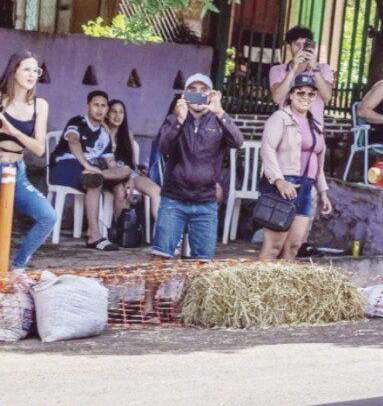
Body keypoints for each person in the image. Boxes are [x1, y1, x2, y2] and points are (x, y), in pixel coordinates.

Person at [143, 74, 243, 319]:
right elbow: (163, 148)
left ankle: (194, 307)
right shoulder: (174, 118)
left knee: (202, 261)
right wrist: (178, 121)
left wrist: (220, 112)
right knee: (160, 254)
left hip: (206, 202)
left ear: (212, 94)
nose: (198, 95)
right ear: (184, 95)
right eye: (192, 90)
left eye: (203, 90)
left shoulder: (217, 121)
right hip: (174, 200)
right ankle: (147, 305)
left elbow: (238, 141)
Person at [259, 74, 333, 261]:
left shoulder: (315, 125)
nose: (305, 97)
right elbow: (267, 150)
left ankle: (283, 289)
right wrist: (279, 180)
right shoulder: (280, 118)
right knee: (274, 245)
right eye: (300, 92)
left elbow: (318, 162)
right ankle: (258, 288)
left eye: (310, 94)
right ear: (290, 95)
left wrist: (323, 191)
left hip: (306, 186)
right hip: (283, 184)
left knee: (293, 246)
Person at [49, 90, 132, 251]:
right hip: (65, 166)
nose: (100, 109)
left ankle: (118, 233)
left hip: (90, 171)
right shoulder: (77, 122)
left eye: (103, 106)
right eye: (96, 105)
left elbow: (111, 162)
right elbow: (73, 141)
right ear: (88, 106)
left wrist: (124, 176)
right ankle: (94, 235)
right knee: (94, 180)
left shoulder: (104, 134)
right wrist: (87, 165)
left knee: (125, 170)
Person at [0, 51, 56, 269]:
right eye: (26, 69)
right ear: (14, 72)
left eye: (36, 70)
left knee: (47, 216)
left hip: (17, 171)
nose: (32, 74)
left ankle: (18, 266)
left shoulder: (39, 105)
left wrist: (13, 130)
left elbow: (39, 148)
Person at [105, 100, 161, 224]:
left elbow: (131, 162)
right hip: (111, 174)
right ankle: (122, 230)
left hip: (129, 172)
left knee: (155, 189)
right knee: (122, 191)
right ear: (107, 113)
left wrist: (137, 171)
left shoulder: (127, 134)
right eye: (114, 111)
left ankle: (163, 231)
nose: (117, 115)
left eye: (121, 112)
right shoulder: (102, 133)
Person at [269, 26, 334, 117]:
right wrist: (293, 70)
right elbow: (276, 98)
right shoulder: (277, 70)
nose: (301, 48)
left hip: (313, 128)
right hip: (286, 127)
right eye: (297, 44)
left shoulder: (323, 68)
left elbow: (327, 97)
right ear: (289, 48)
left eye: (305, 44)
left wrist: (315, 69)